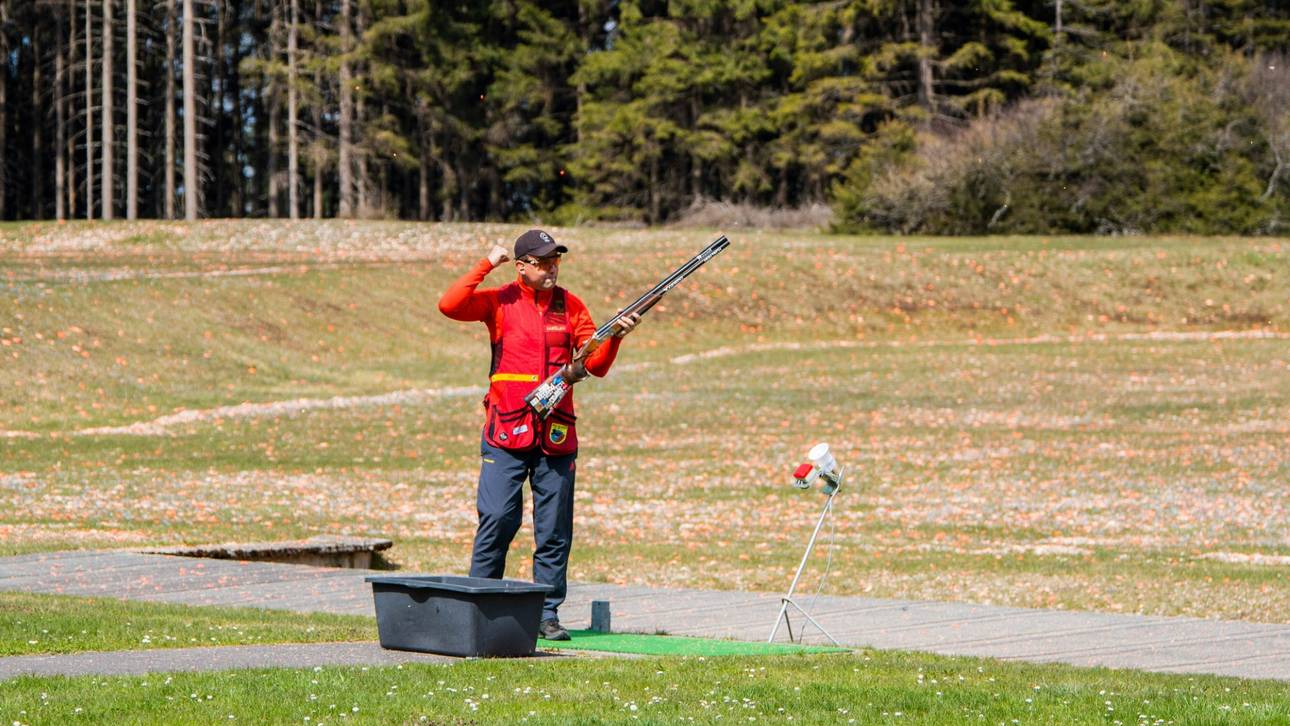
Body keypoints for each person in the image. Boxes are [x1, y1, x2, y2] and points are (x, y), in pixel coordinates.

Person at [437, 229, 639, 640]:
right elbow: (450, 304)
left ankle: (547, 614)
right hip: (505, 429)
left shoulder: (571, 305)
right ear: (521, 266)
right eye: (543, 262)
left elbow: (594, 365)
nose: (552, 269)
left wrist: (615, 337)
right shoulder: (499, 301)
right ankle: (481, 605)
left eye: (555, 261)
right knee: (497, 517)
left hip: (556, 434)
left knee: (554, 530)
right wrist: (486, 263)